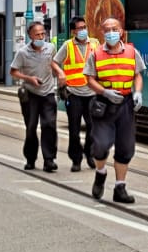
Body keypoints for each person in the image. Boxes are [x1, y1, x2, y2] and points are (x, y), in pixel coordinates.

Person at [85, 16, 143, 204]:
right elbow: (90, 79)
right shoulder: (96, 54)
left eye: (115, 29)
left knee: (126, 148)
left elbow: (138, 75)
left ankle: (120, 188)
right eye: (107, 29)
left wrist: (138, 93)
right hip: (104, 104)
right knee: (101, 145)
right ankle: (100, 173)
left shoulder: (132, 52)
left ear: (121, 31)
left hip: (125, 104)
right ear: (102, 32)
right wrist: (105, 92)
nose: (111, 32)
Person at [9, 20, 58, 172]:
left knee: (49, 125)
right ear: (30, 35)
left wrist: (61, 76)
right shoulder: (23, 52)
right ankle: (31, 159)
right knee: (31, 128)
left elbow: (54, 65)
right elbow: (13, 71)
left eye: (43, 33)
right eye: (37, 34)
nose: (41, 37)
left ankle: (49, 160)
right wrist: (29, 79)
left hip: (48, 93)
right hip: (30, 95)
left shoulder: (51, 48)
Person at [52, 15, 99, 172]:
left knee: (93, 128)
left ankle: (90, 153)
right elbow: (54, 62)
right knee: (74, 129)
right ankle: (76, 159)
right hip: (74, 93)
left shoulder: (95, 43)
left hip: (92, 93)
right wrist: (60, 73)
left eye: (84, 27)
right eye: (80, 28)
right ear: (73, 31)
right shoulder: (67, 45)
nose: (83, 30)